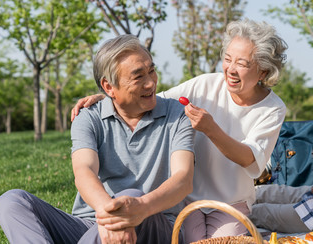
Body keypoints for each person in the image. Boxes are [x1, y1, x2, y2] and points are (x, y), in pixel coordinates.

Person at [70, 18, 288, 243]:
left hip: (230, 200)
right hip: (189, 200)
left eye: (242, 64)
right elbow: (152, 99)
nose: (231, 69)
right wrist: (108, 97)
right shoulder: (205, 85)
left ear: (262, 72)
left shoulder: (272, 108)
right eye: (227, 59)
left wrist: (211, 129)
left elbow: (251, 160)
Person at [0, 34, 196, 244]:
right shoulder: (89, 116)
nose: (150, 83)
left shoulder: (178, 115)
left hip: (154, 223)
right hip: (91, 224)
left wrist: (140, 207)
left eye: (152, 71)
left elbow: (183, 179)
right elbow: (84, 170)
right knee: (11, 201)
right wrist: (108, 213)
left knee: (130, 195)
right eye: (138, 77)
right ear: (108, 87)